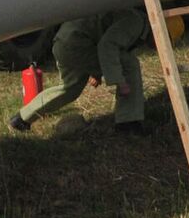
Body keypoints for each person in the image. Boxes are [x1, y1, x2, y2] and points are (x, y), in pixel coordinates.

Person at [8, 8, 148, 135]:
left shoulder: (121, 8)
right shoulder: (136, 20)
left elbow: (98, 32)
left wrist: (97, 72)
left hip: (63, 43)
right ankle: (128, 123)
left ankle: (22, 118)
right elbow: (107, 46)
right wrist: (119, 81)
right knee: (128, 64)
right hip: (78, 44)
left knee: (69, 89)